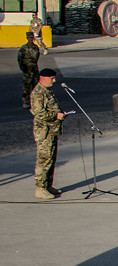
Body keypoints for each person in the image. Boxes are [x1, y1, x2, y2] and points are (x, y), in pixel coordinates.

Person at [31, 68, 64, 200]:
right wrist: (56, 115)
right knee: (44, 159)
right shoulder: (38, 93)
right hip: (44, 132)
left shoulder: (46, 91)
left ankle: (47, 185)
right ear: (44, 77)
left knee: (51, 159)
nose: (54, 81)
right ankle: (40, 188)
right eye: (52, 78)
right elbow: (39, 113)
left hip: (51, 130)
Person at [18, 32, 39, 110]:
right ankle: (25, 102)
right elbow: (19, 58)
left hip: (34, 69)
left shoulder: (36, 47)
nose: (31, 39)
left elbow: (37, 57)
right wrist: (22, 67)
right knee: (26, 87)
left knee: (35, 87)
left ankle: (35, 102)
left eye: (32, 37)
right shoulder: (23, 48)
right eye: (29, 37)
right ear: (27, 38)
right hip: (27, 69)